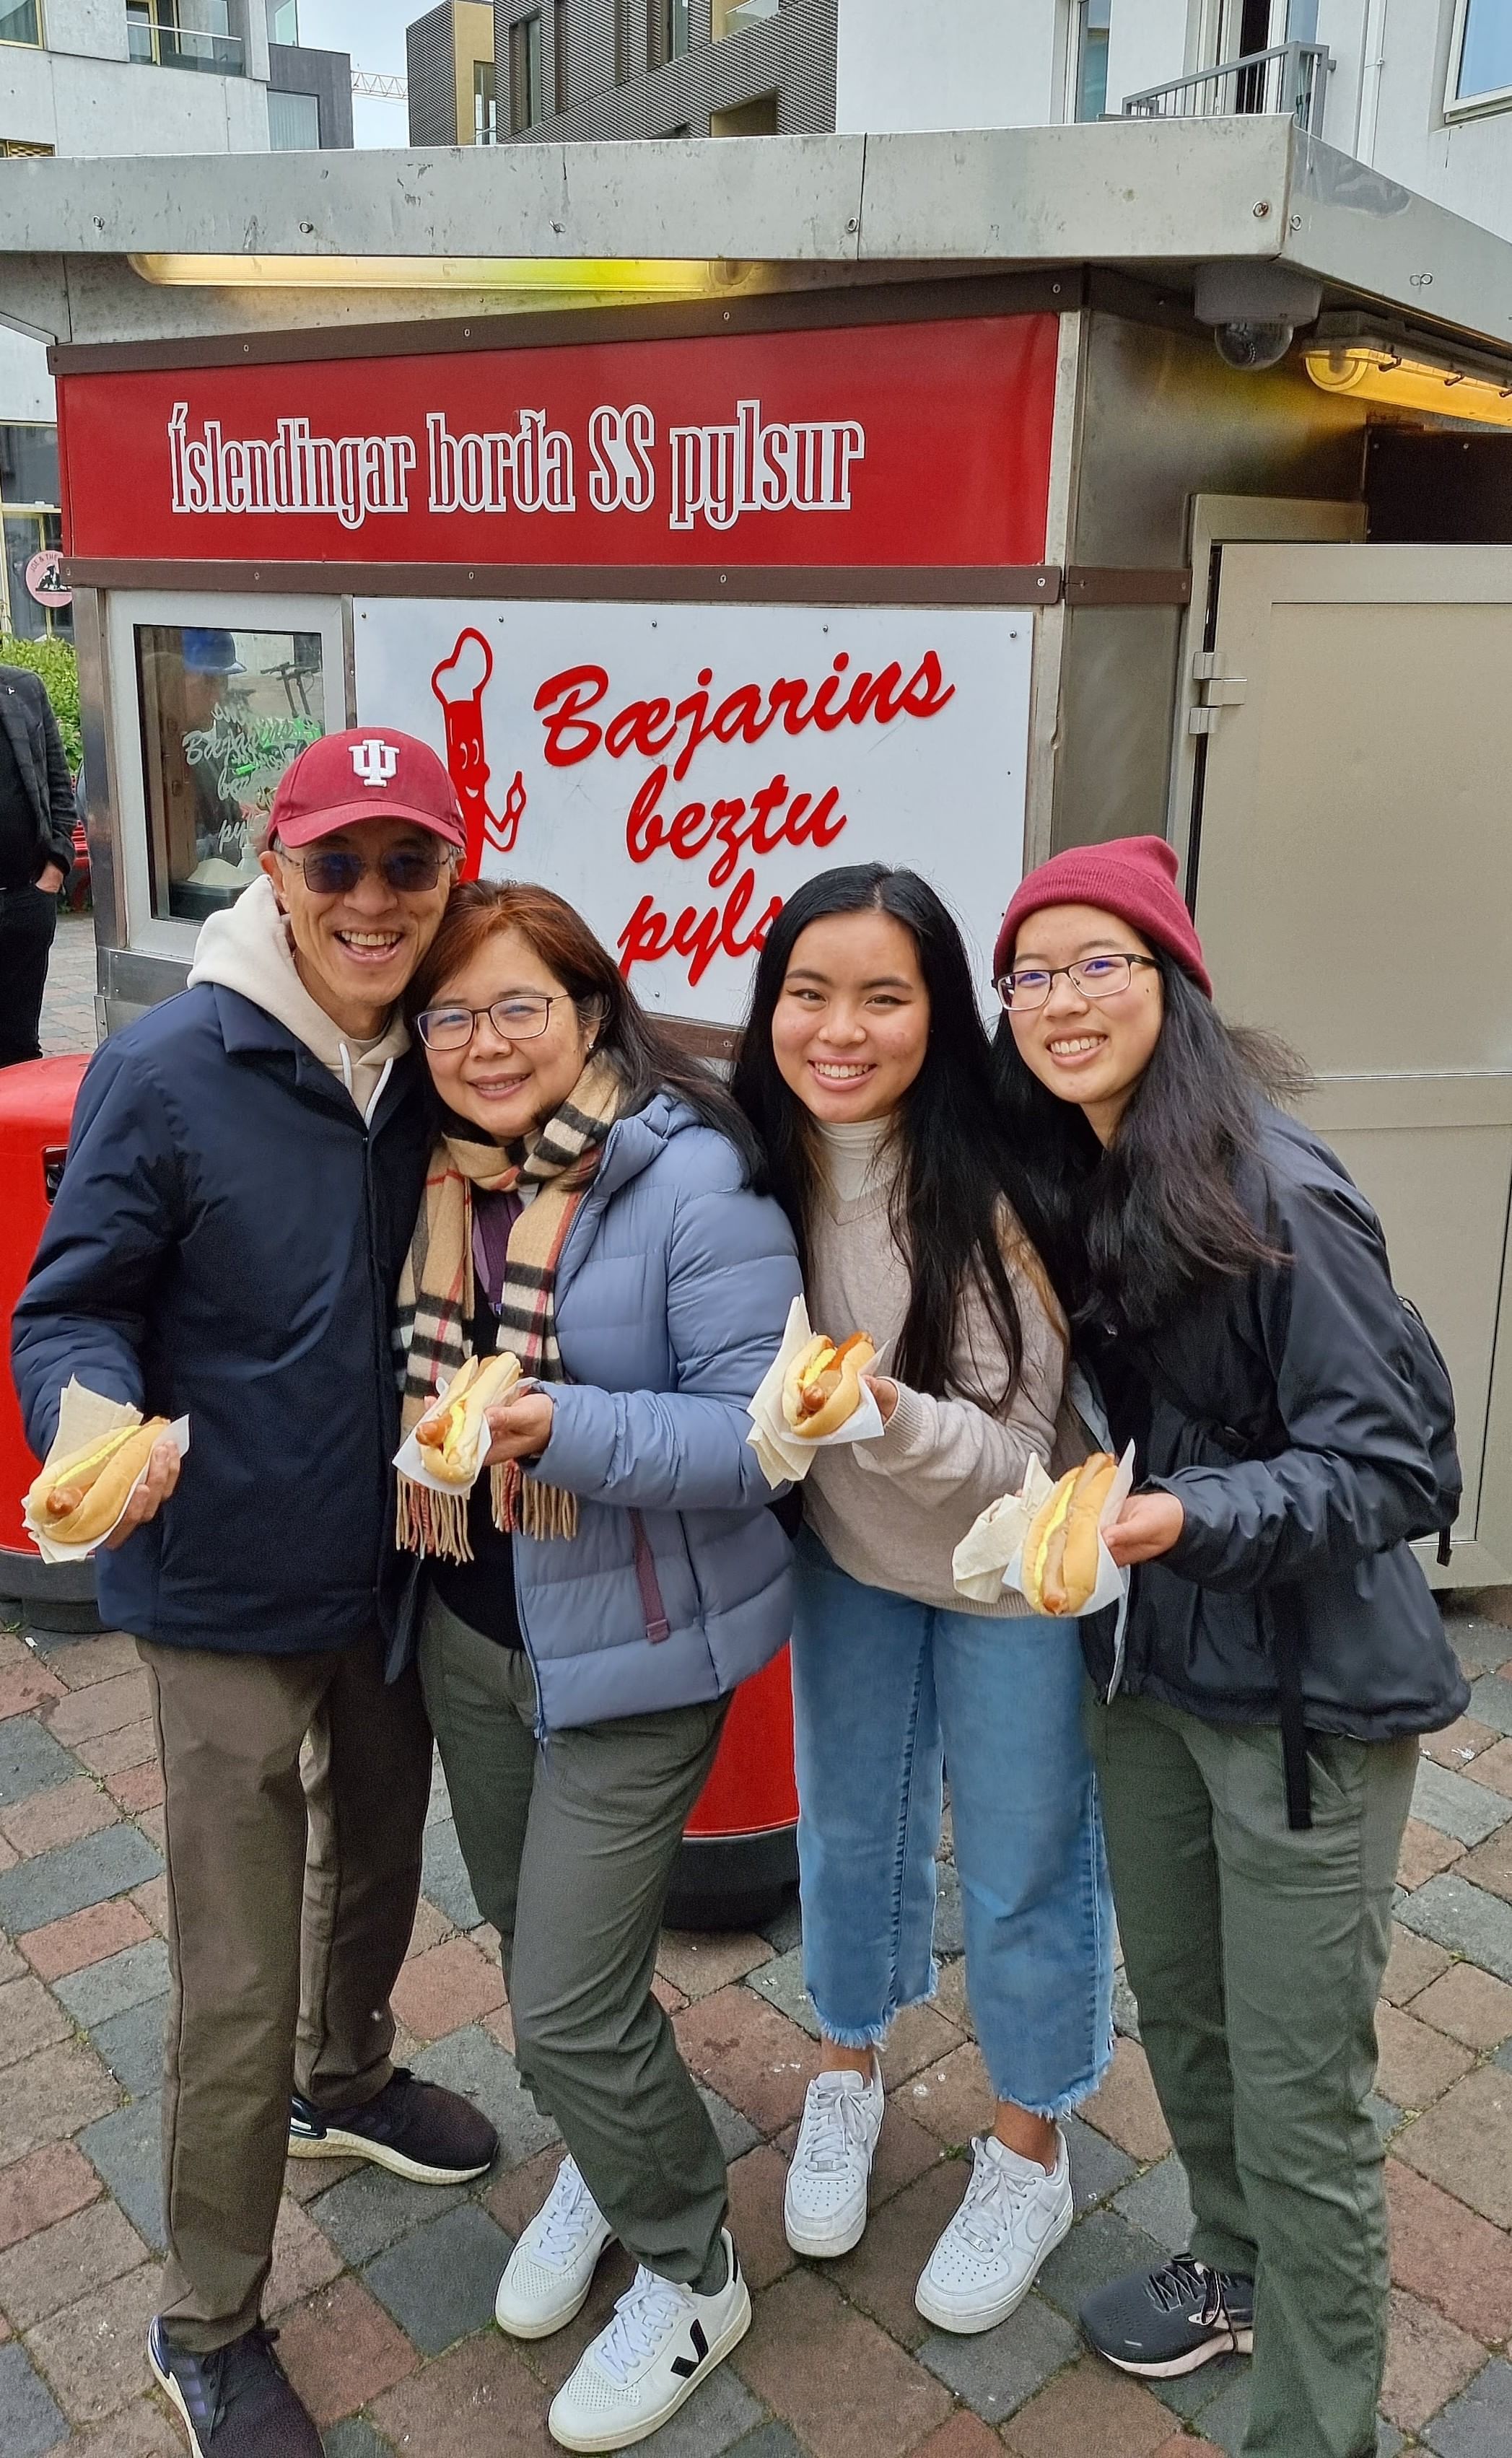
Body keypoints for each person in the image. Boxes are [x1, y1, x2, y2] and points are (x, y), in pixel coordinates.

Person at [12, 730, 500, 2458]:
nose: (374, 901)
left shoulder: (454, 1046)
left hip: (392, 1562)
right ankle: (205, 2318)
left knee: (381, 1847)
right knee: (231, 1969)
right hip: (218, 1577)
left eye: (408, 865)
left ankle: (346, 2078)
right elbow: (71, 1303)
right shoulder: (167, 1065)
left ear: (452, 875)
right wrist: (86, 1414)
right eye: (339, 863)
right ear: (273, 871)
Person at [990, 835, 1467, 2458]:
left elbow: (1399, 1464)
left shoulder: (1279, 1185)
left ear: (1173, 981)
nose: (1061, 999)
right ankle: (1236, 2265)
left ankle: (1317, 2424)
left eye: (1098, 963)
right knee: (1187, 2018)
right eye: (1031, 972)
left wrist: (1183, 1517)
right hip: (1151, 1672)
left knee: (1302, 2084)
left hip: (1304, 1703)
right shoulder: (1082, 1164)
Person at [396, 879, 801, 2452]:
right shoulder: (437, 1177)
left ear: (589, 1006)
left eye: (518, 1005)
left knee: (562, 2000)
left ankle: (693, 2262)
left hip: (639, 1648)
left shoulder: (690, 1181)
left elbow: (760, 1438)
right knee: (537, 1946)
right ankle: (606, 2150)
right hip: (474, 1631)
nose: (485, 1043)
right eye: (450, 1013)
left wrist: (561, 1424)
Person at [730, 864, 1113, 2334]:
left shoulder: (992, 1175)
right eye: (808, 991)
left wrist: (878, 1409)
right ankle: (847, 2059)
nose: (839, 1028)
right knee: (850, 1818)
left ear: (938, 1014)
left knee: (1022, 1855)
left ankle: (1031, 2137)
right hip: (852, 1555)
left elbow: (1024, 1449)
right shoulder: (751, 1153)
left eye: (882, 994)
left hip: (1006, 1565)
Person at [0, 659, 75, 1066]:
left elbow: (60, 789)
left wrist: (54, 871)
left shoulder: (25, 690)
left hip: (25, 899)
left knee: (20, 1050)